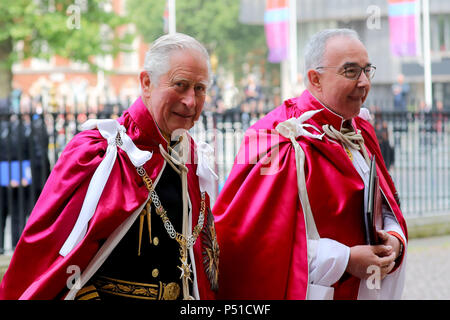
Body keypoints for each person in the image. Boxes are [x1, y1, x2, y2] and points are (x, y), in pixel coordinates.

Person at [0, 33, 219, 300]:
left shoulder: (191, 158)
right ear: (146, 83)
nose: (191, 101)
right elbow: (51, 263)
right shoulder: (98, 152)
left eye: (200, 88)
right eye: (180, 85)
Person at [213, 29, 407, 300]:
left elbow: (385, 205)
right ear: (315, 79)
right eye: (351, 71)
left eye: (367, 70)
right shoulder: (279, 138)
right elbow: (256, 245)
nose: (364, 82)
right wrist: (345, 259)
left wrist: (395, 240)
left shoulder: (361, 129)